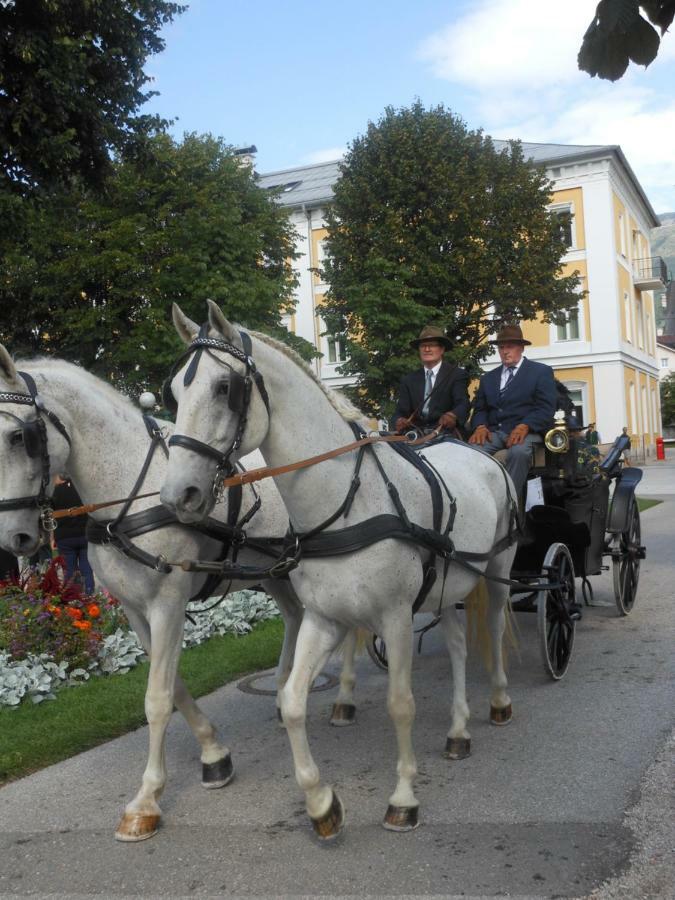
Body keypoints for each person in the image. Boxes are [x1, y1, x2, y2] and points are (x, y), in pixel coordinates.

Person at [469, 324, 556, 497]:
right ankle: (476, 497)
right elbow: (480, 409)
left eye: (510, 347)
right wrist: (480, 426)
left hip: (527, 432)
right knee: (471, 450)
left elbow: (546, 408)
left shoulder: (540, 372)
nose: (505, 351)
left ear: (521, 348)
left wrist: (525, 425)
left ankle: (509, 500)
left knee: (519, 452)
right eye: (501, 347)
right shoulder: (488, 378)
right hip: (495, 432)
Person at [392, 325, 470, 435]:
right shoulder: (409, 380)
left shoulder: (457, 375)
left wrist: (452, 415)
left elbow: (463, 404)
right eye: (423, 346)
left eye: (432, 345)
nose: (427, 349)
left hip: (446, 433)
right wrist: (399, 420)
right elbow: (400, 411)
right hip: (415, 434)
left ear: (442, 349)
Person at [52, 475, 95, 594]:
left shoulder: (55, 491)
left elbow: (51, 517)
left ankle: (72, 596)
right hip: (84, 534)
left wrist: (52, 538)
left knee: (69, 569)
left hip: (64, 537)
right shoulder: (81, 488)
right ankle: (89, 594)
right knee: (86, 567)